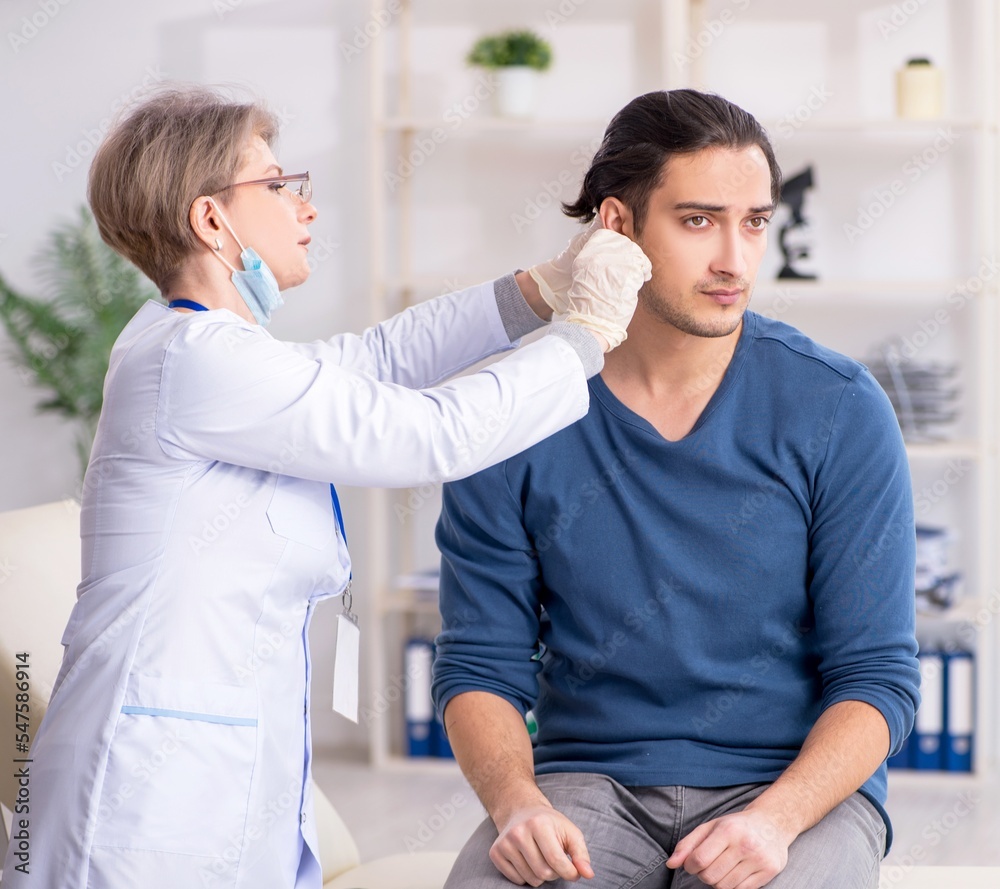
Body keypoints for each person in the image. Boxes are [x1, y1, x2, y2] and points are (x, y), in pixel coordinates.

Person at [0, 86, 651, 889]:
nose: (305, 206)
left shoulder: (212, 348)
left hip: (216, 775)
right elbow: (429, 433)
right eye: (278, 185)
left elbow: (378, 359)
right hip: (149, 798)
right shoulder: (195, 358)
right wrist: (582, 337)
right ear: (212, 219)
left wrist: (538, 289)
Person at [432, 89, 920, 889]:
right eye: (698, 221)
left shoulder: (837, 407)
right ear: (617, 226)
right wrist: (517, 804)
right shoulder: (515, 410)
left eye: (754, 222)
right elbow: (480, 662)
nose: (735, 260)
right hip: (585, 783)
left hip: (792, 789)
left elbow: (877, 677)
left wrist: (778, 818)